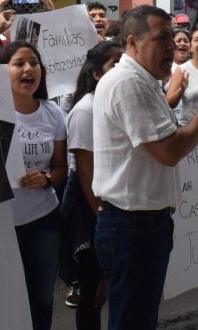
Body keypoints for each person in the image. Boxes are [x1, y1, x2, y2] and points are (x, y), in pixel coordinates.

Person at [91, 5, 198, 329]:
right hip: (132, 226)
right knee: (132, 320)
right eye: (162, 38)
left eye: (172, 37)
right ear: (132, 42)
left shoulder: (143, 80)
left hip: (145, 224)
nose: (173, 46)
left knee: (140, 317)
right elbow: (169, 151)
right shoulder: (127, 83)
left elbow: (172, 139)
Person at [0, 40, 68, 330]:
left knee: (41, 299)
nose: (28, 69)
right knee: (5, 298)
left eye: (34, 63)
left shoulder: (53, 113)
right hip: (0, 223)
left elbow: (62, 168)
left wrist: (48, 178)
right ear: (3, 71)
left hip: (43, 220)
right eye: (19, 63)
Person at [61, 40, 123, 330]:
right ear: (97, 74)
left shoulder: (114, 102)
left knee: (108, 284)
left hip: (111, 197)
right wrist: (101, 213)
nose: (122, 70)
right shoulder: (85, 110)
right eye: (115, 64)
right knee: (90, 287)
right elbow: (86, 170)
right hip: (91, 204)